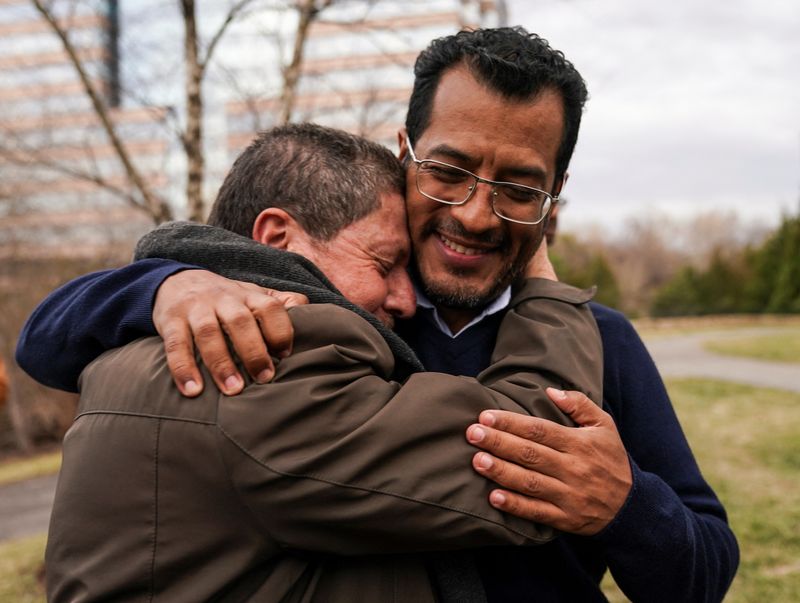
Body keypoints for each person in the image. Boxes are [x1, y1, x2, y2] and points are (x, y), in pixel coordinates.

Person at [17, 28, 738, 602]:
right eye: (449, 172)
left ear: (556, 193)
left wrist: (626, 504)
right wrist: (160, 286)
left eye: (519, 188)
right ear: (407, 154)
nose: (477, 215)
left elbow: (703, 570)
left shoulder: (599, 338)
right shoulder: (289, 319)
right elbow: (46, 345)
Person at [42, 123, 604, 602]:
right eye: (386, 263)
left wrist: (159, 284)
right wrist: (540, 276)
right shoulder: (265, 364)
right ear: (278, 238)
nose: (405, 300)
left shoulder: (137, 338)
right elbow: (542, 454)